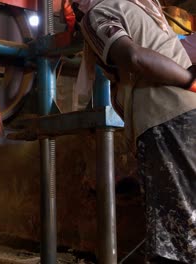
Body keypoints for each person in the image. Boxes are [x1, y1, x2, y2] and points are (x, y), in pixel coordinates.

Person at [71, 0, 196, 263]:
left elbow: (133, 57)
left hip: (166, 121)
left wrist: (190, 81)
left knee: (175, 241)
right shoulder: (144, 9)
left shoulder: (98, 12)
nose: (72, 6)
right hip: (187, 118)